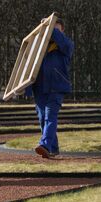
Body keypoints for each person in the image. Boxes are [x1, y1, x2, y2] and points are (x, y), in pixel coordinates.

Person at [28, 16, 74, 158]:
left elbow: (60, 39)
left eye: (56, 28)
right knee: (43, 118)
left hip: (56, 86)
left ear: (62, 29)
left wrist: (49, 26)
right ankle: (53, 149)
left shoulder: (67, 44)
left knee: (50, 117)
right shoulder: (40, 45)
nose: (53, 31)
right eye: (51, 28)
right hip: (40, 88)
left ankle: (45, 144)